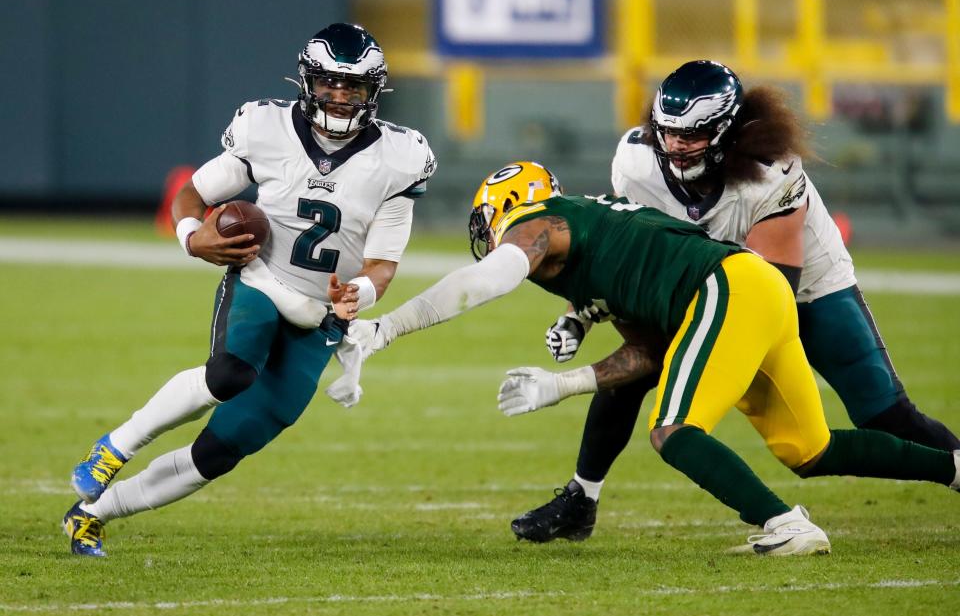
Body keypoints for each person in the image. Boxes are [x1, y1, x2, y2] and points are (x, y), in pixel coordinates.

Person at [349, 160, 959, 556]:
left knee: (674, 431)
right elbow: (645, 353)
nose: (494, 239)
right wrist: (563, 385)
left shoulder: (542, 224)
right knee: (811, 448)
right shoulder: (600, 248)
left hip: (731, 288)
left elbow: (487, 280)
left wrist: (388, 328)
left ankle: (785, 524)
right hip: (755, 292)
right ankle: (954, 469)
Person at [513, 60, 960, 544]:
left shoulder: (772, 172)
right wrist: (578, 314)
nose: (676, 145)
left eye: (693, 134)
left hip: (803, 288)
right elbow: (623, 259)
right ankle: (582, 498)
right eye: (667, 132)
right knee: (632, 373)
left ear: (727, 130)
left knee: (881, 413)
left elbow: (772, 288)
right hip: (704, 286)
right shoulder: (637, 164)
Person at [63, 23, 437, 557]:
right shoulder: (267, 127)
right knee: (231, 372)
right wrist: (193, 239)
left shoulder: (400, 157)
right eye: (330, 82)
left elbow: (382, 264)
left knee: (224, 448)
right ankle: (113, 448)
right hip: (262, 280)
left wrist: (359, 293)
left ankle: (92, 516)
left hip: (321, 318)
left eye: (352, 87)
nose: (339, 96)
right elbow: (192, 194)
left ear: (373, 92)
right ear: (308, 81)